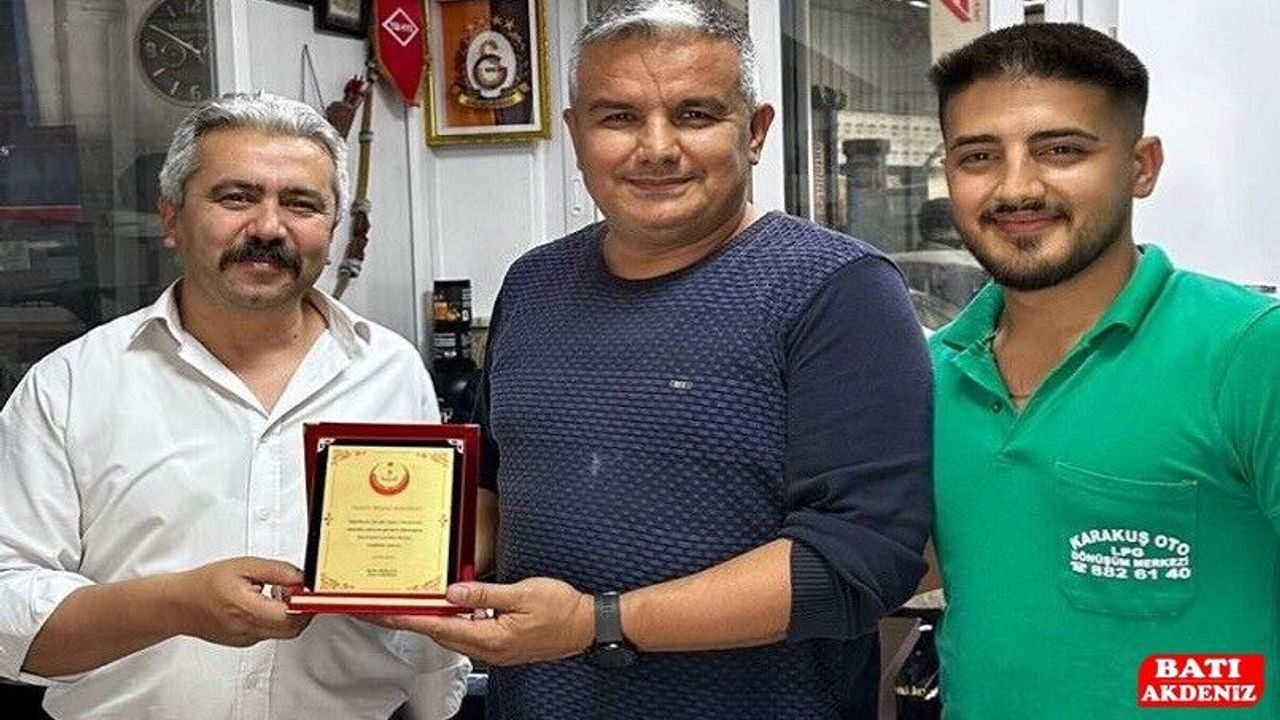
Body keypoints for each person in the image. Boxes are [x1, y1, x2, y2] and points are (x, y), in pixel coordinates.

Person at [379, 2, 933, 718]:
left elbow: (861, 560)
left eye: (695, 115)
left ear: (756, 131)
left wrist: (597, 623)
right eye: (618, 118)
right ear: (576, 135)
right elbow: (492, 486)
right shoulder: (533, 283)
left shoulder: (838, 289)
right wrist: (375, 564)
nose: (657, 147)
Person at [0, 93, 468, 719]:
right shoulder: (70, 386)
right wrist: (178, 605)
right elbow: (9, 615)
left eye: (301, 204)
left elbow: (421, 584)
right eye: (236, 197)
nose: (269, 228)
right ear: (172, 219)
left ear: (333, 232)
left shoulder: (390, 370)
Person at [928, 23, 1280, 719]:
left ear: (1141, 166)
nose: (1016, 187)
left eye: (1061, 150)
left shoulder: (1249, 352)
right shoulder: (932, 373)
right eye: (978, 157)